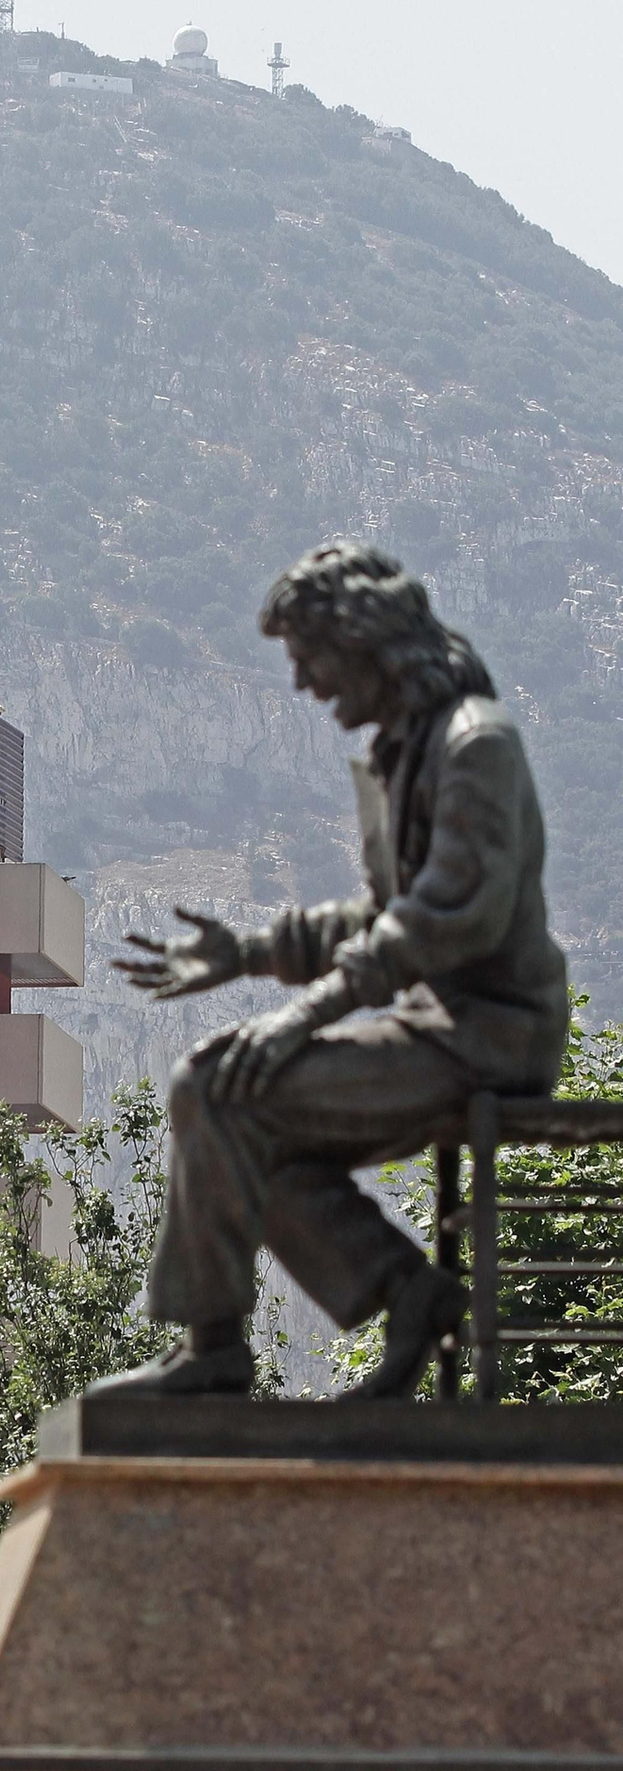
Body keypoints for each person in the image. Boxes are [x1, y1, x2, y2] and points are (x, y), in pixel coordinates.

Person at [92, 540, 569, 1400]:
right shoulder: (409, 750)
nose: (306, 685)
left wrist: (300, 1017)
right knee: (234, 1106)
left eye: (310, 657)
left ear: (364, 640)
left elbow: (443, 921)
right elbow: (380, 915)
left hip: (493, 1036)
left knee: (218, 1087)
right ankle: (405, 1293)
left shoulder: (474, 746)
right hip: (443, 1024)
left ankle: (216, 1353)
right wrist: (249, 953)